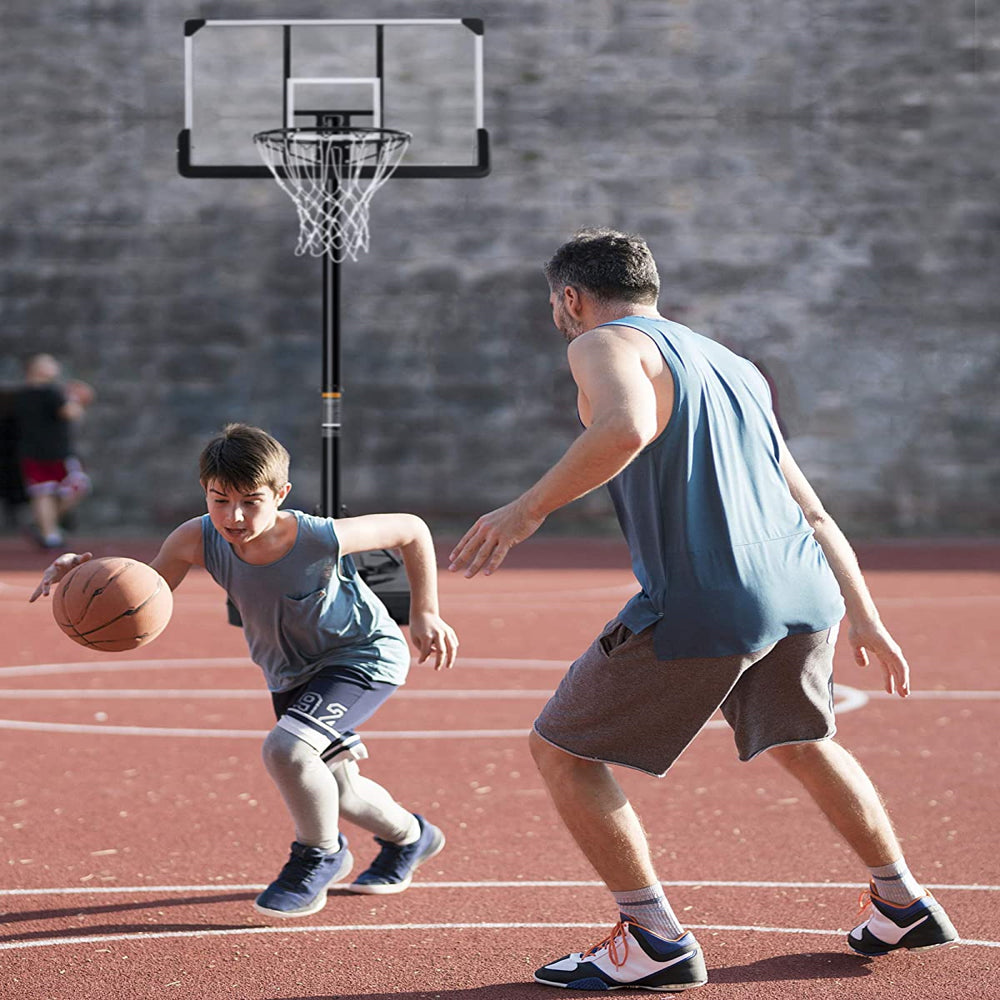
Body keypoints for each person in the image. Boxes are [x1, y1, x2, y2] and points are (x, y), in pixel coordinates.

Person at [449, 229, 958, 990]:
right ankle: (902, 901)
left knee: (562, 752)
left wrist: (526, 510)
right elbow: (812, 510)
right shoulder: (735, 366)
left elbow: (625, 427)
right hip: (803, 590)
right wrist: (865, 613)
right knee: (803, 741)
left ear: (570, 297)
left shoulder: (601, 343)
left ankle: (653, 938)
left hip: (709, 597)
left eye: (557, 303)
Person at [32, 422, 458, 917]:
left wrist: (426, 612)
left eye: (251, 502)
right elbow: (143, 596)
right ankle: (412, 837)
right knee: (337, 790)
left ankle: (320, 855)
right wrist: (83, 578)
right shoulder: (195, 538)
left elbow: (412, 528)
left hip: (362, 655)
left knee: (287, 750)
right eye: (220, 500)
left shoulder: (318, 536)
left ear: (281, 494)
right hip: (289, 672)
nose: (233, 516)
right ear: (205, 492)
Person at [13, 353, 93, 548]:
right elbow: (71, 413)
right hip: (57, 452)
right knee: (78, 486)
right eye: (49, 363)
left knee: (42, 492)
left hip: (31, 452)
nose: (55, 366)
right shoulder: (53, 393)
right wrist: (78, 398)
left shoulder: (22, 395)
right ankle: (44, 525)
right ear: (37, 368)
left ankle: (48, 532)